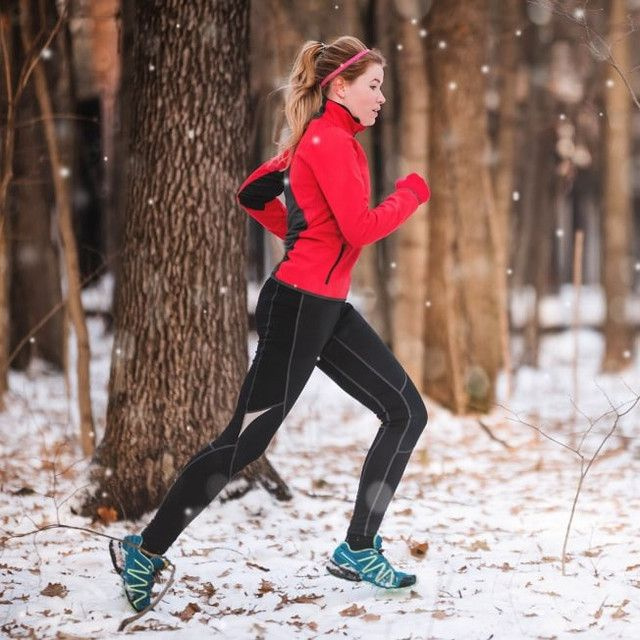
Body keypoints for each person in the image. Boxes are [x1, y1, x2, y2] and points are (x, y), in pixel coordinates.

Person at [111, 35, 431, 612]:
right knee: (243, 440)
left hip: (326, 306)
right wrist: (409, 195)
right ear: (340, 86)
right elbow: (358, 228)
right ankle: (145, 548)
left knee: (406, 411)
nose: (382, 98)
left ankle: (358, 549)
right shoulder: (330, 141)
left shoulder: (324, 141)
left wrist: (298, 225)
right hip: (298, 308)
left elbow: (253, 192)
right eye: (375, 85)